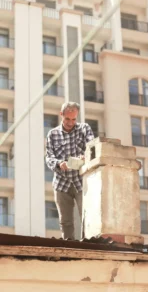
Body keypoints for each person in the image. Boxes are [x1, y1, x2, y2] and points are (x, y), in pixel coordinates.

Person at [46, 102, 94, 240]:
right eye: (67, 119)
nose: (70, 122)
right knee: (66, 222)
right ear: (61, 115)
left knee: (87, 217)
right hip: (62, 184)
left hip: (82, 183)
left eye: (74, 119)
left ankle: (89, 247)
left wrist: (86, 155)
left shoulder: (85, 129)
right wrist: (59, 163)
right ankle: (69, 247)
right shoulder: (52, 134)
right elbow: (49, 157)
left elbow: (92, 147)